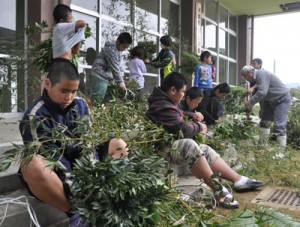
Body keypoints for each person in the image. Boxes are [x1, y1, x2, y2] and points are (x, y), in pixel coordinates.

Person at [18, 59, 129, 226]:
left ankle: (100, 201)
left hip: (80, 167)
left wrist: (93, 179)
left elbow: (88, 145)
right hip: (56, 173)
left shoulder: (81, 105)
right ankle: (77, 213)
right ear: (48, 84)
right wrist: (82, 193)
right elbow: (55, 160)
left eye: (74, 91)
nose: (69, 97)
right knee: (31, 164)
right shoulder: (35, 116)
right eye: (64, 91)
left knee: (119, 144)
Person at [146, 72, 263, 209]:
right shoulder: (161, 105)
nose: (183, 94)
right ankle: (218, 190)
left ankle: (238, 180)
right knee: (189, 145)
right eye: (183, 91)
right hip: (161, 152)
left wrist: (191, 115)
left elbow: (178, 114)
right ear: (173, 90)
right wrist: (199, 126)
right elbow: (183, 129)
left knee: (204, 149)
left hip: (169, 145)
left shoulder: (166, 101)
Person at [241, 65, 291, 148]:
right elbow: (263, 95)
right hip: (270, 100)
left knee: (279, 124)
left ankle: (280, 152)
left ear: (249, 73)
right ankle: (262, 146)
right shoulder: (256, 79)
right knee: (264, 122)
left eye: (246, 77)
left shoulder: (261, 74)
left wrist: (250, 102)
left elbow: (262, 92)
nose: (247, 79)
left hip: (282, 98)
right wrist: (262, 108)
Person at [90, 32, 133, 102]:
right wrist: (121, 82)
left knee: (106, 100)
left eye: (126, 48)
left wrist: (121, 78)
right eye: (124, 46)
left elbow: (118, 66)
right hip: (99, 75)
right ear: (118, 41)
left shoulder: (117, 51)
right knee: (97, 99)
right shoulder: (111, 50)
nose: (124, 49)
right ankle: (90, 111)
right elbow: (115, 67)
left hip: (105, 76)